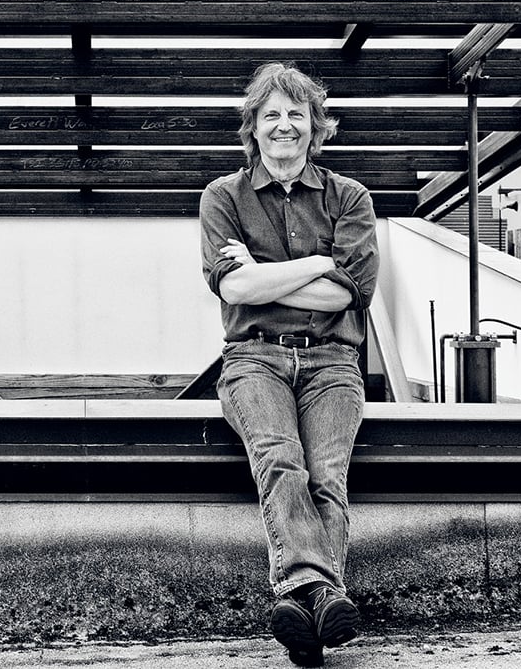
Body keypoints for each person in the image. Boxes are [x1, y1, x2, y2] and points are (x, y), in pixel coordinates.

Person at [199, 62, 379, 666]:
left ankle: (302, 601)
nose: (284, 126)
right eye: (271, 114)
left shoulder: (349, 197)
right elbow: (234, 292)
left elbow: (345, 296)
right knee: (280, 460)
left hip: (332, 361)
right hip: (253, 360)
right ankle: (324, 595)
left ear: (316, 127)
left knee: (327, 474)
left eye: (296, 115)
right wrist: (318, 264)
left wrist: (262, 273)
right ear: (253, 127)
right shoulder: (223, 197)